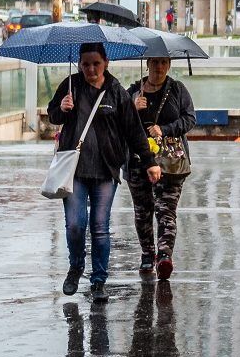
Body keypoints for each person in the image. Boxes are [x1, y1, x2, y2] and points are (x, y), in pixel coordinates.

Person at [47, 44, 159, 304]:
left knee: (99, 227)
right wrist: (61, 109)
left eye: (96, 64)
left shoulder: (117, 92)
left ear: (105, 63)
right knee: (75, 225)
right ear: (79, 64)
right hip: (74, 169)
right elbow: (53, 115)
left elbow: (133, 131)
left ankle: (98, 280)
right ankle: (76, 267)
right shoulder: (70, 85)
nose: (91, 69)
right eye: (85, 64)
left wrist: (150, 161)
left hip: (106, 170)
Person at [127, 56, 194, 281]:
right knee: (143, 210)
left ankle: (164, 256)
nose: (160, 67)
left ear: (169, 65)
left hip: (170, 161)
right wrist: (132, 108)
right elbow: (118, 121)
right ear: (147, 63)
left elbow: (190, 119)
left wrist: (164, 129)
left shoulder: (177, 89)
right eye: (155, 62)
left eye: (164, 62)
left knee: (166, 209)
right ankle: (147, 254)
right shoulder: (134, 91)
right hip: (138, 160)